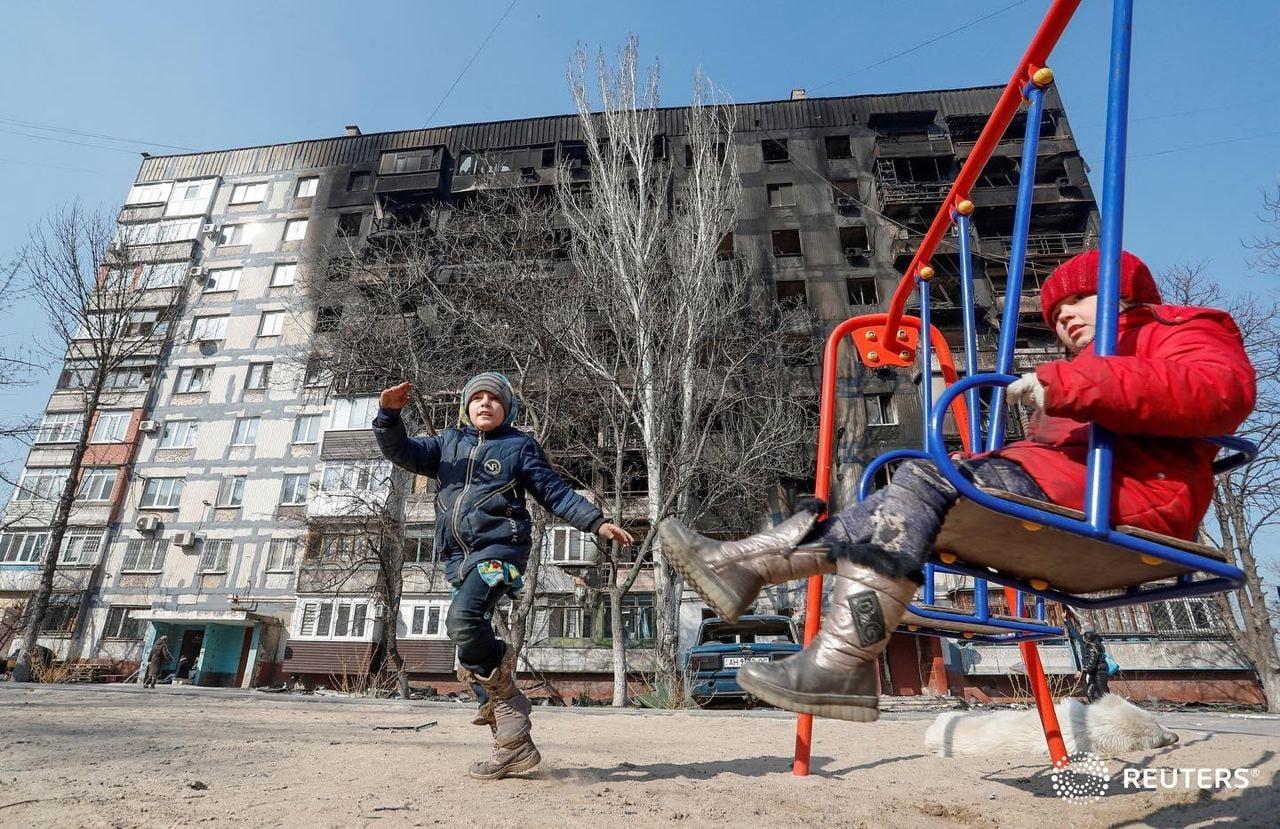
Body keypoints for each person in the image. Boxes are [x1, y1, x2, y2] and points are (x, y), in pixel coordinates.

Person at [660, 250, 1256, 723]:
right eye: (1055, 313)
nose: (1067, 316)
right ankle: (760, 574)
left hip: (1133, 495)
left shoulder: (1174, 329)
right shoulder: (1083, 371)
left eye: (1082, 298)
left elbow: (1221, 392)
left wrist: (1080, 385)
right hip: (1069, 486)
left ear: (1124, 293)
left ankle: (800, 617)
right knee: (903, 498)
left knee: (923, 476)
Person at [374, 372, 634, 779]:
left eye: (494, 398)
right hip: (457, 558)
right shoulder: (446, 445)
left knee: (462, 620)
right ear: (465, 406)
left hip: (501, 550)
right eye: (476, 397)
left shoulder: (518, 446)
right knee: (465, 638)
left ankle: (506, 695)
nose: (484, 403)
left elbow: (554, 492)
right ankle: (512, 742)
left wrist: (595, 522)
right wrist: (389, 416)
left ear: (507, 408)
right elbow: (401, 452)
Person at [1079, 628, 1112, 702]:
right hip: (1094, 673)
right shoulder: (1095, 645)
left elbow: (1092, 661)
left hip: (1099, 673)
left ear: (1086, 639)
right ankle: (1095, 710)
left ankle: (1110, 708)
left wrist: (1084, 670)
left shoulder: (1092, 647)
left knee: (1103, 693)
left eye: (1083, 637)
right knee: (1089, 693)